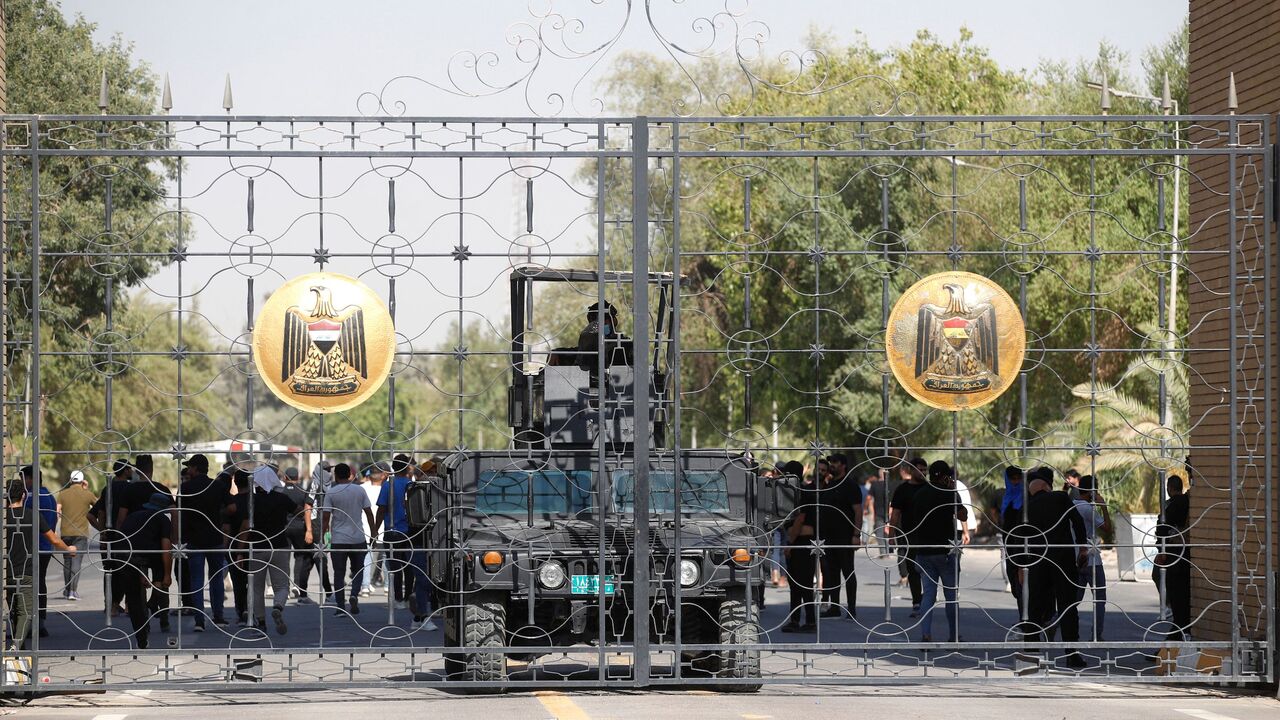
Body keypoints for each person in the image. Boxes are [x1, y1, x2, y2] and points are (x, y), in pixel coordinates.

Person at [1024, 467, 1087, 668]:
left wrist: (1019, 566)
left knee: (1034, 608)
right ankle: (1072, 654)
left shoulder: (1027, 506)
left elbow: (1018, 536)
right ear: (1046, 486)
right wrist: (1083, 548)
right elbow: (1077, 521)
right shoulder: (1060, 497)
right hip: (1062, 559)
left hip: (1037, 561)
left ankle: (1031, 656)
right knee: (1068, 606)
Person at [6, 480, 77, 650]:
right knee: (26, 611)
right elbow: (53, 539)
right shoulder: (32, 515)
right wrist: (68, 548)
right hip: (27, 570)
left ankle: (19, 652)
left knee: (14, 610)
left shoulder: (4, 517)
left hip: (6, 571)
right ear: (24, 495)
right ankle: (17, 646)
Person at [912, 461, 968, 642]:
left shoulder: (920, 493)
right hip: (945, 551)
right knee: (951, 595)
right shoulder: (948, 493)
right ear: (945, 477)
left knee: (928, 594)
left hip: (924, 550)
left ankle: (925, 634)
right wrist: (954, 492)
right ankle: (954, 636)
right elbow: (963, 515)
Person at [237, 465, 296, 634]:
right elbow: (300, 510)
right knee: (282, 585)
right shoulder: (281, 498)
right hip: (279, 546)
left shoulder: (251, 501)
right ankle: (278, 605)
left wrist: (240, 551)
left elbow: (246, 527)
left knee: (256, 588)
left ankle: (261, 623)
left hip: (256, 548)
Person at [177, 454, 233, 631]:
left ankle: (199, 621)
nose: (189, 471)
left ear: (195, 468)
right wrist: (217, 514)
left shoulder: (186, 488)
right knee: (216, 579)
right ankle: (219, 617)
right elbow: (232, 508)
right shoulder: (217, 486)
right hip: (215, 539)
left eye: (190, 468)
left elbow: (178, 512)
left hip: (194, 540)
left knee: (196, 581)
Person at [117, 492, 174, 649]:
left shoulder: (133, 516)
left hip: (124, 556)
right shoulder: (162, 519)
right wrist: (168, 576)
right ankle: (157, 603)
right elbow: (166, 549)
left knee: (134, 600)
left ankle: (142, 638)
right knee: (163, 568)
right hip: (141, 557)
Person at [322, 463, 375, 614]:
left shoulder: (331, 492)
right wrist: (373, 533)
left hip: (339, 540)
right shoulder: (359, 490)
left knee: (339, 573)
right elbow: (369, 513)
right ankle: (353, 595)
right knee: (358, 570)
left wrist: (322, 538)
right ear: (350, 475)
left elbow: (326, 517)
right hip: (358, 538)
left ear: (336, 476)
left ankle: (340, 607)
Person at [817, 453, 862, 619]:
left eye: (835, 462)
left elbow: (858, 511)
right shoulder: (828, 485)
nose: (832, 465)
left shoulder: (850, 485)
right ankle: (834, 607)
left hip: (845, 537)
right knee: (831, 573)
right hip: (829, 537)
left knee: (848, 571)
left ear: (843, 465)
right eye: (831, 462)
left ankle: (851, 608)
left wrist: (856, 534)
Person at [89, 459, 135, 615]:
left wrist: (102, 533)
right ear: (126, 471)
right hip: (127, 537)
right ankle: (129, 605)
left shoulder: (107, 489)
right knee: (129, 571)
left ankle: (111, 606)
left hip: (109, 537)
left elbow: (94, 515)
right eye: (130, 469)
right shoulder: (131, 489)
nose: (133, 472)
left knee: (110, 572)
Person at [780, 460, 818, 633]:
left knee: (802, 584)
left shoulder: (800, 493)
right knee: (796, 584)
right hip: (801, 542)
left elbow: (800, 519)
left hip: (801, 543)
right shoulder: (802, 491)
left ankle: (809, 621)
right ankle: (796, 620)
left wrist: (790, 542)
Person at [20, 465, 58, 634]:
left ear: (30, 479)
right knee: (40, 583)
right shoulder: (49, 495)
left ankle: (29, 624)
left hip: (33, 547)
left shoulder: (32, 497)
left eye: (24, 479)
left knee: (28, 585)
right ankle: (40, 622)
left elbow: (25, 521)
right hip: (46, 547)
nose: (23, 483)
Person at [1073, 475, 1110, 641]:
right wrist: (1103, 506)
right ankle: (1097, 634)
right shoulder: (1088, 509)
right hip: (1092, 559)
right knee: (1100, 599)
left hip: (1075, 557)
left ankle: (1054, 623)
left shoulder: (1072, 506)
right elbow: (1107, 528)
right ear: (1092, 492)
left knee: (1074, 600)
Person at [888, 458, 927, 616]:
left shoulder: (930, 488)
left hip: (929, 536)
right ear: (911, 471)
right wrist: (891, 536)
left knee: (929, 569)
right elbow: (895, 514)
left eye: (925, 470)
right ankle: (917, 601)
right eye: (920, 470)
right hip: (910, 536)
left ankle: (927, 598)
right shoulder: (902, 490)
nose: (923, 473)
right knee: (913, 570)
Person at [1155, 474, 1191, 640]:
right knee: (1180, 591)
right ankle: (1178, 624)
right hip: (1184, 551)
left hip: (1174, 551)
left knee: (1170, 584)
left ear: (1169, 488)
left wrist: (1161, 551)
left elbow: (1162, 528)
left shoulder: (1172, 505)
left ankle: (1170, 610)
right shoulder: (1186, 501)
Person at [279, 466, 318, 603]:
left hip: (284, 527)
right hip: (299, 527)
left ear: (285, 478)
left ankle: (285, 587)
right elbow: (306, 510)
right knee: (300, 556)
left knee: (284, 558)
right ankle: (297, 585)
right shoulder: (302, 492)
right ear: (298, 478)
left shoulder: (281, 492)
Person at [57, 470, 96, 601]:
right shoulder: (88, 494)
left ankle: (67, 590)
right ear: (82, 481)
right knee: (76, 561)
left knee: (67, 561)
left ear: (70, 480)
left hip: (65, 533)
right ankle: (73, 591)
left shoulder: (62, 494)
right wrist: (86, 490)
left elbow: (57, 511)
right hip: (81, 533)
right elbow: (98, 506)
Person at [997, 466, 1028, 616]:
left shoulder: (1027, 497)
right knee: (1017, 586)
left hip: (1025, 546)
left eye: (1018, 478)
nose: (1016, 481)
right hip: (1010, 546)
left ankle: (1027, 622)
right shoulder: (1006, 497)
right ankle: (1024, 620)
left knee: (1025, 585)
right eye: (1012, 478)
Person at [225, 468, 253, 626]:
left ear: (235, 482)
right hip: (256, 545)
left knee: (238, 582)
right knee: (254, 581)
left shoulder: (232, 503)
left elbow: (226, 528)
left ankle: (241, 610)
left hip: (234, 546)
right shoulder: (255, 501)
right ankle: (253, 610)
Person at [575, 300, 633, 370]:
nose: (599, 327)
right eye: (595, 324)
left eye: (604, 322)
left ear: (613, 321)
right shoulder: (590, 345)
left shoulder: (625, 345)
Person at [360, 461, 390, 595]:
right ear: (384, 475)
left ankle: (365, 586)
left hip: (365, 530)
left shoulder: (362, 488)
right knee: (386, 559)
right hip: (384, 529)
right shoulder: (388, 488)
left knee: (367, 559)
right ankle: (388, 587)